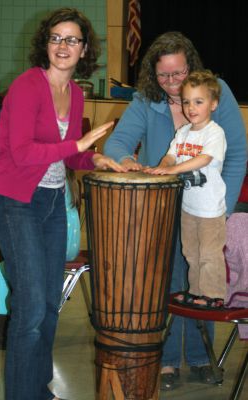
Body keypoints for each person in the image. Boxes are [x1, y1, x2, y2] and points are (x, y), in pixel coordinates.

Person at [0, 8, 124, 400]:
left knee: (49, 306)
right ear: (45, 44)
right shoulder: (28, 86)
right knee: (30, 309)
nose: (63, 46)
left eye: (72, 39)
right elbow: (22, 152)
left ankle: (38, 388)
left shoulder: (76, 93)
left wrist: (93, 158)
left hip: (52, 203)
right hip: (16, 204)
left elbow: (65, 158)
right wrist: (79, 144)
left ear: (85, 49)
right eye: (56, 38)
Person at [104, 31, 247, 390]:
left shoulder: (217, 92)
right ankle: (167, 363)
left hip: (208, 210)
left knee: (202, 280)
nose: (172, 84)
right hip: (166, 209)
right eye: (164, 76)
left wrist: (222, 208)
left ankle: (201, 359)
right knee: (170, 283)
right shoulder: (144, 100)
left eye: (179, 74)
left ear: (191, 68)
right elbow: (117, 143)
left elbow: (237, 154)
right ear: (154, 75)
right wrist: (130, 162)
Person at [146, 69, 227, 308]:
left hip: (211, 210)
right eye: (187, 102)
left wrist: (173, 171)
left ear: (213, 104)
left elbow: (204, 159)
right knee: (191, 253)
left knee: (209, 254)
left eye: (199, 102)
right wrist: (161, 168)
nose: (191, 107)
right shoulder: (182, 132)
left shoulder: (215, 133)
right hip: (188, 208)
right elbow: (170, 157)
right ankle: (196, 291)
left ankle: (213, 295)